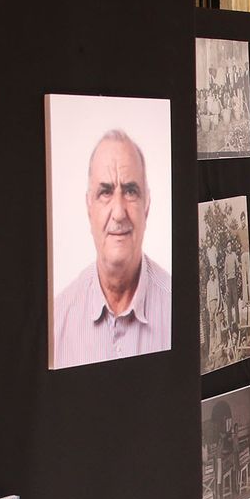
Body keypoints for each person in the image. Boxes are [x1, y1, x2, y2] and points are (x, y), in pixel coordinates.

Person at [51, 129, 172, 366]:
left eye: (130, 191)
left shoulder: (180, 309)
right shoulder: (57, 321)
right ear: (89, 207)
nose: (118, 212)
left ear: (147, 205)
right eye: (105, 192)